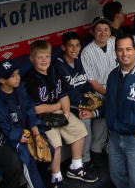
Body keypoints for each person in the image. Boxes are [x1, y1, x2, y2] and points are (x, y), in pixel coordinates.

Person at [80, 34, 135, 188]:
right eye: (120, 50)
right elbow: (111, 104)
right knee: (118, 178)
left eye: (128, 49)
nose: (124, 53)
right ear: (115, 52)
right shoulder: (113, 76)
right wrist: (95, 113)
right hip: (114, 137)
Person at [25, 40, 97, 186]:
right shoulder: (30, 79)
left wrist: (65, 113)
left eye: (47, 56)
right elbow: (36, 109)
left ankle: (75, 167)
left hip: (59, 110)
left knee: (79, 129)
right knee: (55, 144)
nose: (44, 60)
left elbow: (64, 95)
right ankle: (56, 177)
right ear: (32, 58)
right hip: (40, 118)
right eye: (40, 57)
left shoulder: (54, 70)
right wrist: (58, 106)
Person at [0, 59, 46, 188]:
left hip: (27, 130)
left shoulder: (21, 89)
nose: (17, 78)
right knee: (29, 159)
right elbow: (2, 123)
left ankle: (42, 180)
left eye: (18, 74)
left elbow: (30, 109)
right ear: (2, 80)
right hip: (12, 138)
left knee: (49, 149)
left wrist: (35, 127)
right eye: (12, 76)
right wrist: (18, 135)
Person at [53, 32, 96, 168]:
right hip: (66, 106)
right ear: (63, 47)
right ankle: (85, 160)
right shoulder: (57, 65)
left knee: (104, 110)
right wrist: (84, 101)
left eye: (77, 45)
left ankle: (97, 151)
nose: (74, 49)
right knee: (86, 119)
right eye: (71, 46)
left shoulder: (78, 60)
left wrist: (91, 96)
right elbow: (65, 93)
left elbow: (86, 83)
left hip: (82, 101)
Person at [80, 18, 117, 159]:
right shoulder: (87, 51)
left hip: (118, 89)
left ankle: (111, 151)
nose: (103, 33)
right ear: (93, 32)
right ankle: (96, 156)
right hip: (99, 91)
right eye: (99, 30)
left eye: (106, 30)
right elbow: (92, 80)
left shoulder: (115, 43)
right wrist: (109, 94)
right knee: (100, 127)